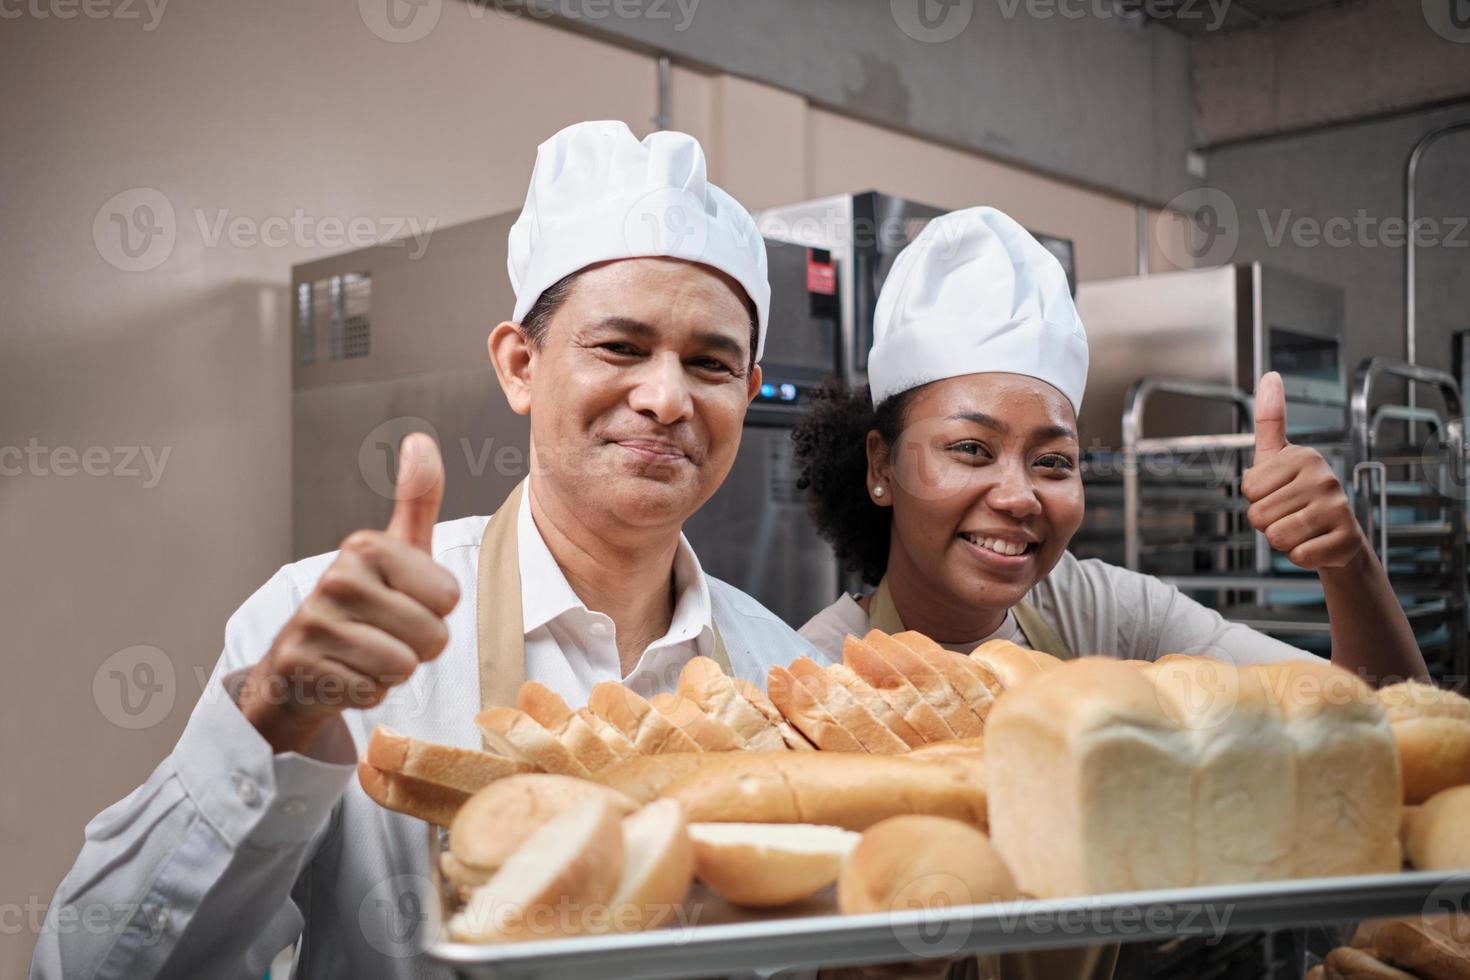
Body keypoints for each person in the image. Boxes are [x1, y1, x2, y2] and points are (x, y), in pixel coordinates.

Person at [32, 120, 826, 980]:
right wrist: (272, 722)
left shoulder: (786, 676)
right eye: (621, 347)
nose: (667, 397)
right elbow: (87, 967)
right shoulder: (330, 631)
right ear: (521, 364)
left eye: (710, 365)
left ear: (747, 395)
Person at [795, 205, 1429, 685]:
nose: (1019, 497)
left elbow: (1383, 719)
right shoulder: (813, 669)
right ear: (882, 466)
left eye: (1052, 462)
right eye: (970, 450)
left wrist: (1348, 564)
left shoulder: (1100, 614)